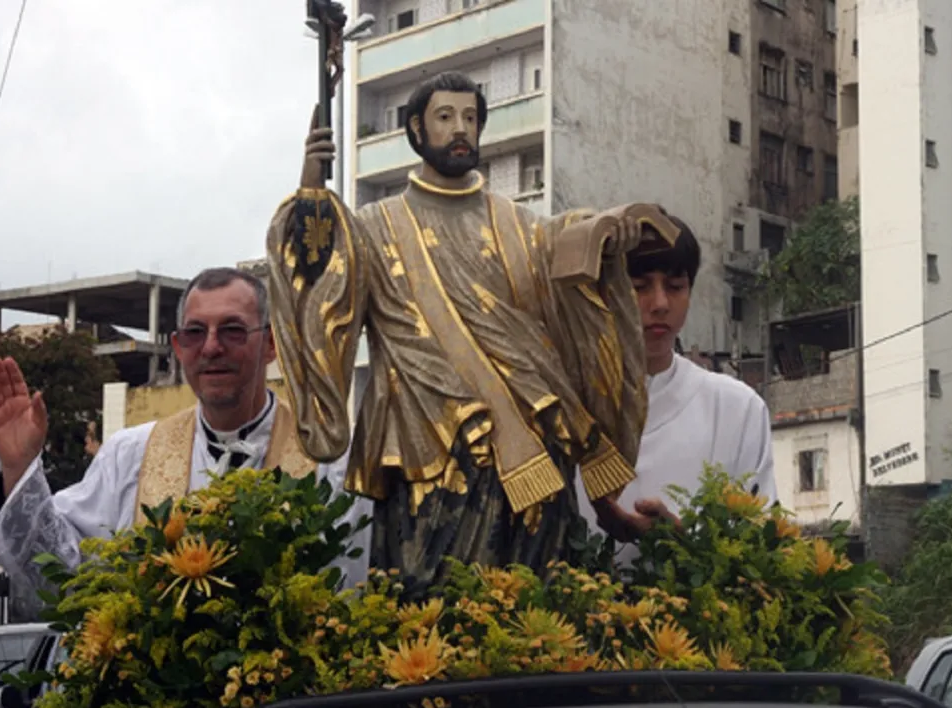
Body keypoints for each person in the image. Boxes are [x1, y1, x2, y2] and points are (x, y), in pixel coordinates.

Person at [265, 70, 681, 595]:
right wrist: (311, 196)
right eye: (444, 117)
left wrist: (607, 234)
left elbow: (573, 251)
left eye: (469, 118)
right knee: (425, 619)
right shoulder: (375, 227)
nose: (460, 129)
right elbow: (321, 283)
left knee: (535, 619)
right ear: (417, 130)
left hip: (534, 450)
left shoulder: (522, 227)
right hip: (430, 457)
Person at [0, 267, 370, 600]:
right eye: (195, 333)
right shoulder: (131, 454)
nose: (211, 348)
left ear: (272, 345)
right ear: (178, 346)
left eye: (233, 330)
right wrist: (19, 470)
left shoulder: (329, 457)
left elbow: (354, 588)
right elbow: (61, 578)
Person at [585, 214, 777, 551]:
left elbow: (761, 550)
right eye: (639, 286)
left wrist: (681, 543)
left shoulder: (736, 409)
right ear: (602, 293)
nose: (660, 304)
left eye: (675, 287)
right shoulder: (566, 409)